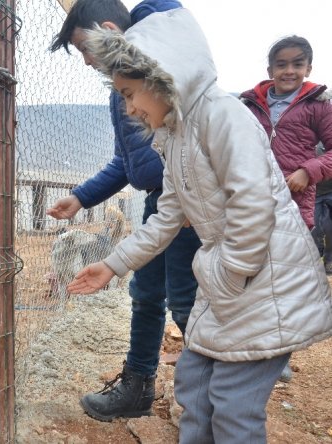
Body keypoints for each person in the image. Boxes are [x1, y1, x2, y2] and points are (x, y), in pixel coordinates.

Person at [66, 8, 332, 443]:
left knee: (232, 403)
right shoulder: (175, 137)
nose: (129, 107)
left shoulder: (222, 115)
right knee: (192, 382)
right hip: (231, 282)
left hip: (263, 280)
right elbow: (167, 216)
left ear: (159, 75)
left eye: (130, 93)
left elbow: (254, 202)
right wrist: (113, 264)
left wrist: (230, 274)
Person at [47, 0, 200, 422]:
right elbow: (125, 162)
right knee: (146, 295)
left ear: (110, 30)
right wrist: (80, 197)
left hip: (186, 205)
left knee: (187, 301)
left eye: (84, 50)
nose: (86, 62)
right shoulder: (121, 89)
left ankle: (212, 386)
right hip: (159, 203)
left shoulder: (160, 68)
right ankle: (138, 387)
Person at [239, 35, 332, 382]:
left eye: (297, 64)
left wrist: (309, 171)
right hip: (252, 205)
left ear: (308, 68)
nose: (289, 70)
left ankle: (278, 358)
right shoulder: (250, 104)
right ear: (270, 69)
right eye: (282, 64)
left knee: (286, 285)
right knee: (250, 277)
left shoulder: (319, 105)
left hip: (295, 207)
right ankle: (250, 347)